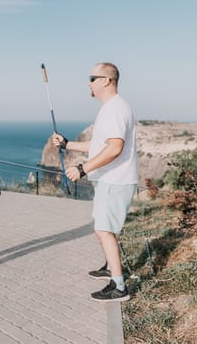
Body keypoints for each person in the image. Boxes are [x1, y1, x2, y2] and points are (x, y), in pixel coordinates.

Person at [51, 62, 138, 301]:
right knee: (104, 228)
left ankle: (119, 287)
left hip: (115, 180)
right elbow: (100, 146)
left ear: (107, 81)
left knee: (103, 230)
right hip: (111, 179)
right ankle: (111, 268)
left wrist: (82, 169)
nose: (88, 83)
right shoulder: (110, 108)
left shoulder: (115, 109)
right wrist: (68, 144)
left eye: (92, 77)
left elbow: (115, 148)